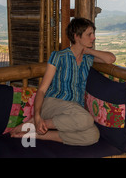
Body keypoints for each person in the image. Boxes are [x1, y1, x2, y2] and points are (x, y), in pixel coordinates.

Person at [10, 17, 116, 146]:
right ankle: (36, 123)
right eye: (89, 34)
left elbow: (111, 58)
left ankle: (40, 134)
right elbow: (42, 89)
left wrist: (87, 50)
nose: (93, 37)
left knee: (93, 135)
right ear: (77, 36)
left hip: (73, 109)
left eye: (93, 34)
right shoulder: (59, 56)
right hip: (53, 103)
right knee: (86, 119)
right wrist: (37, 115)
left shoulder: (88, 58)